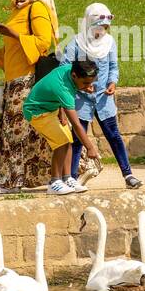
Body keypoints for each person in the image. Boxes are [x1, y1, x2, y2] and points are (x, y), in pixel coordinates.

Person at [0, 0, 59, 193]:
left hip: (27, 80)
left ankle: (12, 181)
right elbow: (14, 50)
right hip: (13, 81)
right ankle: (10, 179)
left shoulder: (37, 8)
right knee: (14, 131)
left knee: (16, 132)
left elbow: (44, 42)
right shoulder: (18, 7)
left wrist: (12, 33)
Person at [60, 2, 141, 189]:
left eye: (105, 27)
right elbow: (64, 69)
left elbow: (113, 67)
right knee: (78, 139)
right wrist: (79, 87)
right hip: (81, 100)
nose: (101, 31)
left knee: (114, 136)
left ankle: (128, 175)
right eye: (98, 27)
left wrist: (112, 83)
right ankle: (71, 178)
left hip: (104, 99)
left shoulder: (109, 43)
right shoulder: (76, 44)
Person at [23, 59, 101, 195]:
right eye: (86, 83)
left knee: (68, 141)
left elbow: (54, 92)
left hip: (51, 107)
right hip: (36, 111)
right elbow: (76, 125)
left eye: (91, 82)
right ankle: (55, 182)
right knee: (61, 142)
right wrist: (90, 147)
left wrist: (61, 110)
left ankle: (67, 178)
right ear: (75, 76)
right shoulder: (63, 88)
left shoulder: (71, 69)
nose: (89, 86)